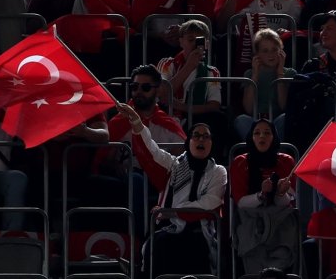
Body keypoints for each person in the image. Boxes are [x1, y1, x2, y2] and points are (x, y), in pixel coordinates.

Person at [114, 103, 225, 276]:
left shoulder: (219, 171)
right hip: (170, 228)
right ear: (188, 142)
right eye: (196, 135)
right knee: (158, 243)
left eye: (206, 136)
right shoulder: (174, 165)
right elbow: (151, 151)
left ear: (212, 143)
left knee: (193, 246)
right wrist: (137, 123)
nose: (201, 140)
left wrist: (171, 212)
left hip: (201, 233)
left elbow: (208, 204)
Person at [229, 116, 300, 274]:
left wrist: (280, 193)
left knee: (287, 230)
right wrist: (261, 195)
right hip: (251, 217)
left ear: (274, 138)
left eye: (267, 133)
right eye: (257, 133)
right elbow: (240, 202)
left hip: (280, 218)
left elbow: (287, 203)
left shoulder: (287, 161)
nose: (262, 136)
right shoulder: (240, 162)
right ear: (251, 137)